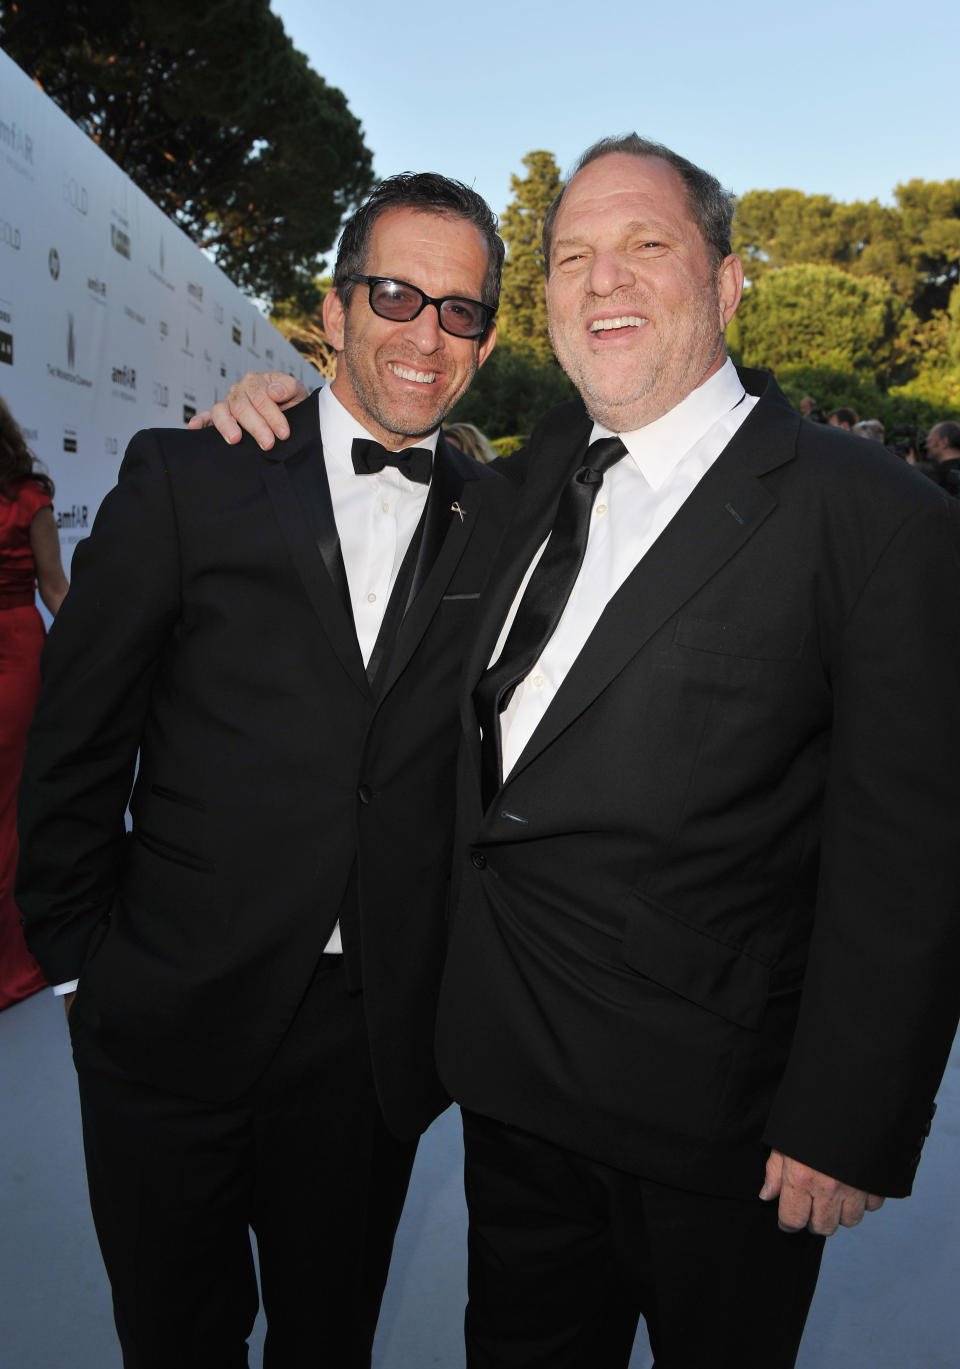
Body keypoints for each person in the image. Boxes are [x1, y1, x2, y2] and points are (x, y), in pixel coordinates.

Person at [219, 135, 960, 1369]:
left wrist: (849, 1115)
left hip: (721, 1122)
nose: (603, 280)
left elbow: (916, 846)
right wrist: (265, 421)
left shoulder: (871, 514)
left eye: (645, 246)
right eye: (571, 257)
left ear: (727, 285)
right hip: (508, 1089)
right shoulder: (511, 486)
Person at [16, 173, 512, 1369]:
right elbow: (76, 742)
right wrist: (91, 972)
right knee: (176, 1341)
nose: (422, 332)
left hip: (368, 1041)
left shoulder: (506, 524)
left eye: (458, 309)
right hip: (167, 1012)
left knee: (326, 1342)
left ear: (486, 344)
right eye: (394, 293)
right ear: (332, 315)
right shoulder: (194, 474)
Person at [0, 396, 67, 1012]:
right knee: (12, 811)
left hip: (18, 657)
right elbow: (55, 591)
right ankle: (15, 963)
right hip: (17, 652)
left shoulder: (31, 496)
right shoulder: (29, 495)